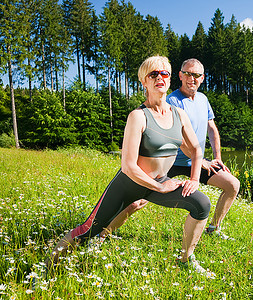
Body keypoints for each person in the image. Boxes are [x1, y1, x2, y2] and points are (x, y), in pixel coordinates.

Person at [46, 56, 214, 277]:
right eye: (153, 74)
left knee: (201, 204)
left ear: (170, 78)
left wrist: (193, 179)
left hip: (159, 181)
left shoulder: (179, 115)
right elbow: (128, 166)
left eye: (164, 73)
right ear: (144, 81)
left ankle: (185, 258)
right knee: (88, 230)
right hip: (129, 183)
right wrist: (159, 186)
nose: (159, 78)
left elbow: (195, 149)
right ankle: (47, 265)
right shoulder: (138, 116)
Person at [103, 58, 240, 240]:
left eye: (197, 75)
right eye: (188, 74)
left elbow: (212, 129)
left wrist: (217, 158)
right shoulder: (172, 100)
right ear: (180, 76)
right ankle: (103, 233)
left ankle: (214, 228)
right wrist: (202, 162)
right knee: (136, 203)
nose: (192, 78)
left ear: (203, 78)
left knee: (232, 185)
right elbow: (179, 141)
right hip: (169, 163)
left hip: (196, 161)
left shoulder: (203, 99)